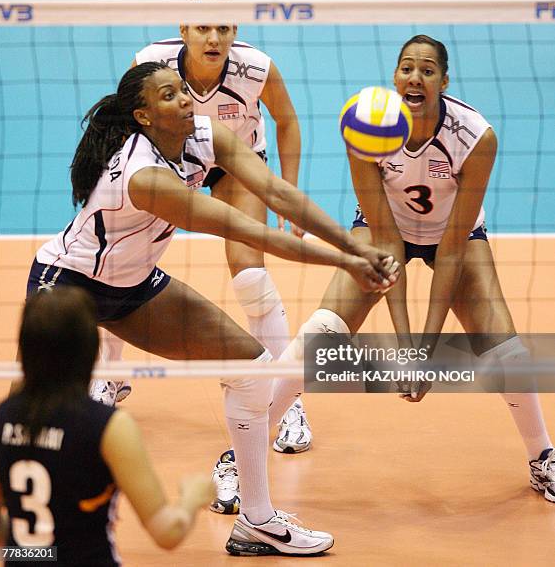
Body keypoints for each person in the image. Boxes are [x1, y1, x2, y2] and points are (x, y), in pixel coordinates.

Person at [22, 62, 398, 555]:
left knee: (252, 369)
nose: (185, 100)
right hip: (68, 286)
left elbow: (277, 193)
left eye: (181, 91)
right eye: (169, 96)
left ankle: (257, 521)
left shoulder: (204, 135)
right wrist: (347, 258)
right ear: (144, 116)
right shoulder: (146, 177)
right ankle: (28, 531)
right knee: (39, 416)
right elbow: (250, 230)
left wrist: (358, 247)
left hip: (132, 287)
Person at [282, 34, 555, 501]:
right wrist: (405, 349)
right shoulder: (365, 126)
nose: (415, 77)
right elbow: (386, 242)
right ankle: (250, 441)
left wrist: (427, 352)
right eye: (407, 67)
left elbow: (450, 252)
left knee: (504, 345)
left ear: (443, 82)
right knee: (324, 329)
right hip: (386, 229)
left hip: (455, 234)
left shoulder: (474, 137)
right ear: (394, 77)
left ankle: (543, 456)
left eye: (427, 70)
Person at [131, 0, 313, 462]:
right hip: (169, 161)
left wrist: (286, 191)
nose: (213, 38)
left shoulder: (257, 68)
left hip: (236, 162)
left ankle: (286, 399)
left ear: (236, 29)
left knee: (249, 269)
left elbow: (288, 121)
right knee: (122, 263)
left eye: (224, 27)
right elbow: (127, 121)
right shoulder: (151, 63)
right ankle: (108, 380)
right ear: (183, 29)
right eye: (203, 27)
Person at [0, 287, 216, 565]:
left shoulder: (3, 417)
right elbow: (167, 532)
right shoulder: (107, 426)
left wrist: (39, 552)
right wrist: (192, 498)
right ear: (89, 350)